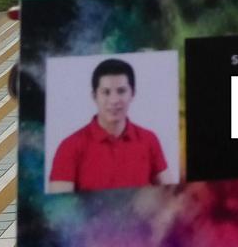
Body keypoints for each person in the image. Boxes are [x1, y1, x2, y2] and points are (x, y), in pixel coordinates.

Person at [47, 58, 174, 193]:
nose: (114, 100)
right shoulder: (69, 147)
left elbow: (171, 194)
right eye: (106, 92)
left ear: (133, 93)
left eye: (121, 91)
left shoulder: (149, 140)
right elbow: (59, 208)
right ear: (94, 96)